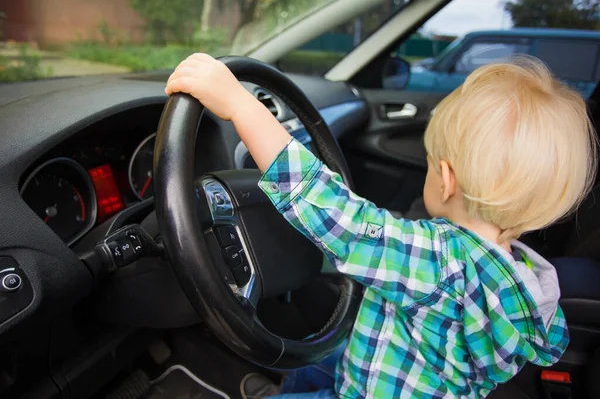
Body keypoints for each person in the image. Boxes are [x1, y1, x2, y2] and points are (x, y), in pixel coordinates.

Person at [165, 55, 597, 398]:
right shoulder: (523, 283)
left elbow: (339, 217)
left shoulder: (438, 260)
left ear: (445, 179)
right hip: (394, 371)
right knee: (323, 353)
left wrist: (240, 105)